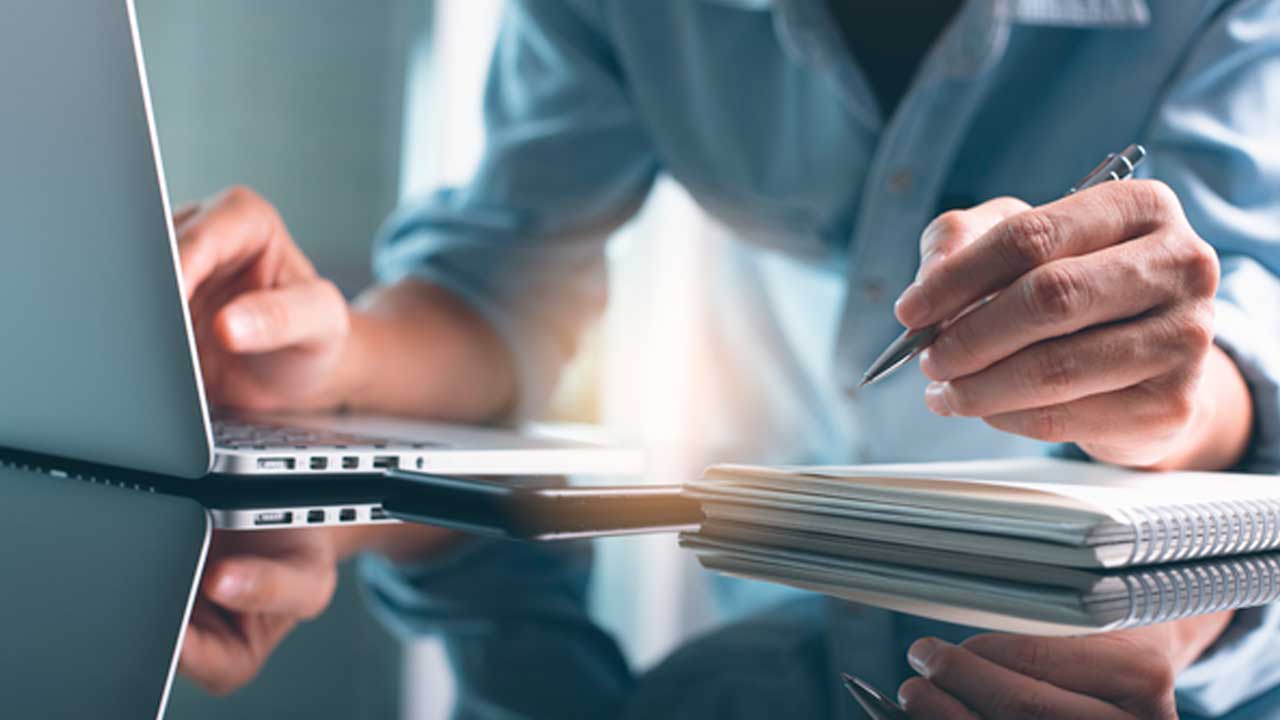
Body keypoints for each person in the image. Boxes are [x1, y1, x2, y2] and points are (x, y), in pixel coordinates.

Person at [176, 1, 1280, 717]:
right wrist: (337, 354)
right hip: (776, 517)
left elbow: (1236, 314)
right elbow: (498, 281)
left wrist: (1178, 403)